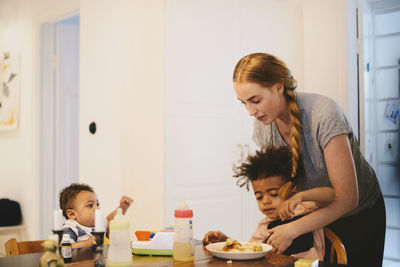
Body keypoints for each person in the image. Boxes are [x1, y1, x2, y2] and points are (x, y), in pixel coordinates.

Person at [231, 52, 385, 266]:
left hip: (359, 214)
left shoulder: (323, 113)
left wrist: (294, 228)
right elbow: (283, 186)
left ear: (278, 87)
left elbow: (348, 198)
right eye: (243, 103)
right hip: (313, 215)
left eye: (255, 100)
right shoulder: (264, 125)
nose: (250, 111)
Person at [203, 145, 335, 260]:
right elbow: (248, 250)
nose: (265, 201)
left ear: (292, 190)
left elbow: (331, 195)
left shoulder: (304, 207)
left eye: (273, 194)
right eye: (259, 197)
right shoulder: (263, 227)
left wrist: (300, 196)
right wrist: (224, 241)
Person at [59, 183, 133, 248]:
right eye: (90, 205)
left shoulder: (99, 223)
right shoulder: (71, 228)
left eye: (97, 204)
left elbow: (110, 219)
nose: (97, 208)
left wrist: (122, 208)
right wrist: (85, 244)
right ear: (72, 214)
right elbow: (63, 248)